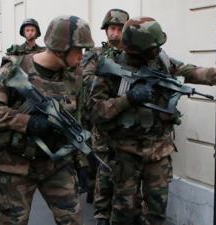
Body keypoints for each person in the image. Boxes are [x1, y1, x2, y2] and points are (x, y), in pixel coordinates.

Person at [89, 17, 216, 225]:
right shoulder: (110, 69)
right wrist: (128, 99)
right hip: (124, 153)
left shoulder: (162, 62)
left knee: (156, 213)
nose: (158, 50)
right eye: (153, 48)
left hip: (158, 152)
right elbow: (95, 112)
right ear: (137, 49)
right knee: (125, 214)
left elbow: (194, 72)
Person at [0, 15, 94, 225]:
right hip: (16, 165)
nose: (81, 56)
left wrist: (82, 163)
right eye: (78, 49)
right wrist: (28, 122)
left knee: (72, 220)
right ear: (61, 48)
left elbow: (78, 122)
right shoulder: (15, 68)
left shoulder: (75, 76)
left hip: (58, 164)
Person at [81, 8, 136, 225]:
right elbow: (86, 80)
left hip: (126, 121)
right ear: (106, 31)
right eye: (111, 28)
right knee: (104, 166)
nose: (115, 33)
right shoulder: (95, 54)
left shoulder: (134, 55)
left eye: (119, 29)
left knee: (125, 169)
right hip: (102, 117)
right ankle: (101, 214)